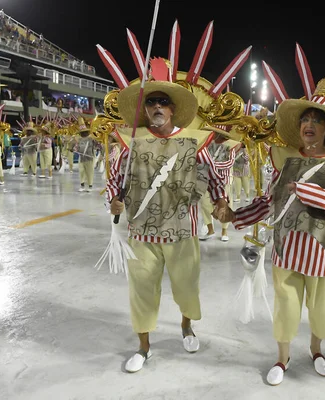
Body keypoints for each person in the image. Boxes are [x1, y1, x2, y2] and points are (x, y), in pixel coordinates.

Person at [224, 78, 325, 385]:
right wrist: (236, 215)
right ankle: (282, 357)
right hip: (287, 250)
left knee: (322, 309)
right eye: (306, 119)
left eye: (317, 120)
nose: (310, 124)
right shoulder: (284, 160)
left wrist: (306, 191)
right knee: (286, 309)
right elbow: (270, 201)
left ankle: (316, 351)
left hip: (324, 254)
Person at [107, 60, 230, 373]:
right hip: (142, 232)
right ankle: (144, 347)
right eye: (152, 101)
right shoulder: (131, 142)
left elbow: (213, 175)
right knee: (141, 291)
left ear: (173, 109)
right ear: (145, 109)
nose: (158, 106)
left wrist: (220, 200)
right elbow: (115, 178)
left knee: (186, 287)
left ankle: (186, 326)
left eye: (163, 101)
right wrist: (115, 200)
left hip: (182, 231)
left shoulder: (192, 141)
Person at [73, 118, 99, 192]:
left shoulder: (91, 139)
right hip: (81, 158)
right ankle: (82, 185)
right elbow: (76, 147)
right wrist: (74, 150)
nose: (83, 133)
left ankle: (90, 186)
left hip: (90, 158)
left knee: (89, 172)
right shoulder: (79, 139)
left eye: (84, 132)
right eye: (82, 132)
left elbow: (97, 145)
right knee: (81, 171)